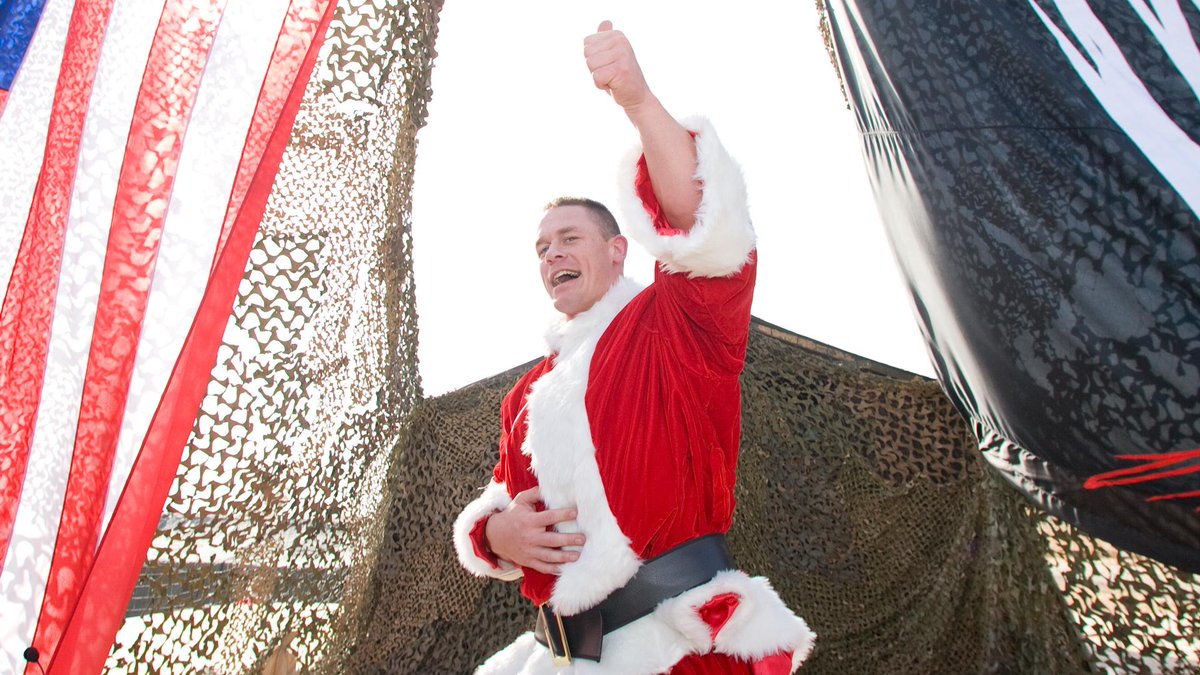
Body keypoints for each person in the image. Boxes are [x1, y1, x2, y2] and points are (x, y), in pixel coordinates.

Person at [452, 21, 815, 675]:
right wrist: (497, 534)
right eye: (542, 247)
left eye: (569, 238)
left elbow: (705, 230)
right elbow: (505, 497)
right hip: (558, 657)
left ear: (618, 250)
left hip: (675, 649)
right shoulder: (526, 394)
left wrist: (639, 101)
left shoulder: (675, 324)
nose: (552, 254)